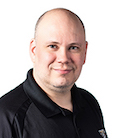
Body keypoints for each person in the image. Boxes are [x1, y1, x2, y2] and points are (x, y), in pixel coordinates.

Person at [0, 8, 108, 138]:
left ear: (84, 53)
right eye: (53, 46)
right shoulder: (6, 116)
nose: (63, 58)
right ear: (34, 50)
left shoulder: (89, 103)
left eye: (73, 48)